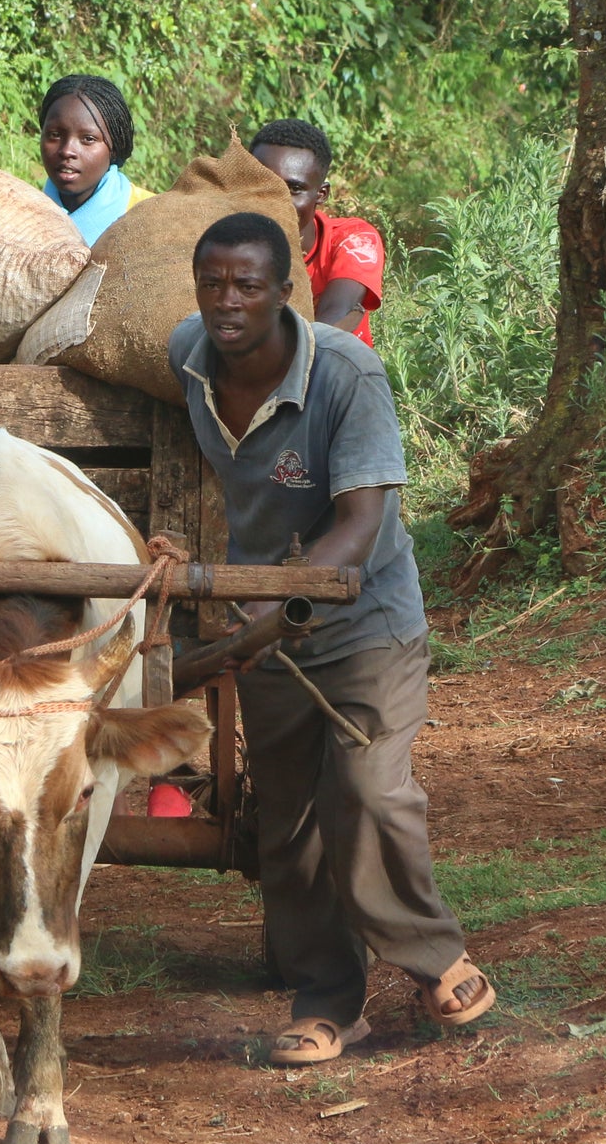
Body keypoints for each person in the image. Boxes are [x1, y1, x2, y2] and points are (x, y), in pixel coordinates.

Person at [167, 211, 494, 1064]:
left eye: (246, 286)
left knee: (366, 789)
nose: (226, 302)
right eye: (211, 284)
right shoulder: (185, 357)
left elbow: (358, 524)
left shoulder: (346, 373)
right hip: (262, 622)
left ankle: (431, 954)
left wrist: (279, 613)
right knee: (289, 820)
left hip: (365, 624)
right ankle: (326, 1001)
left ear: (286, 292)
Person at [249, 119, 384, 347]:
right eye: (264, 187)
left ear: (321, 194)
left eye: (294, 189)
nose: (277, 202)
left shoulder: (353, 239)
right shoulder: (227, 243)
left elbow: (336, 313)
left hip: (334, 372)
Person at [38, 75, 154, 245]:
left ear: (114, 148)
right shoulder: (17, 217)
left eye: (88, 139)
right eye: (55, 135)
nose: (67, 151)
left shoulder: (151, 216)